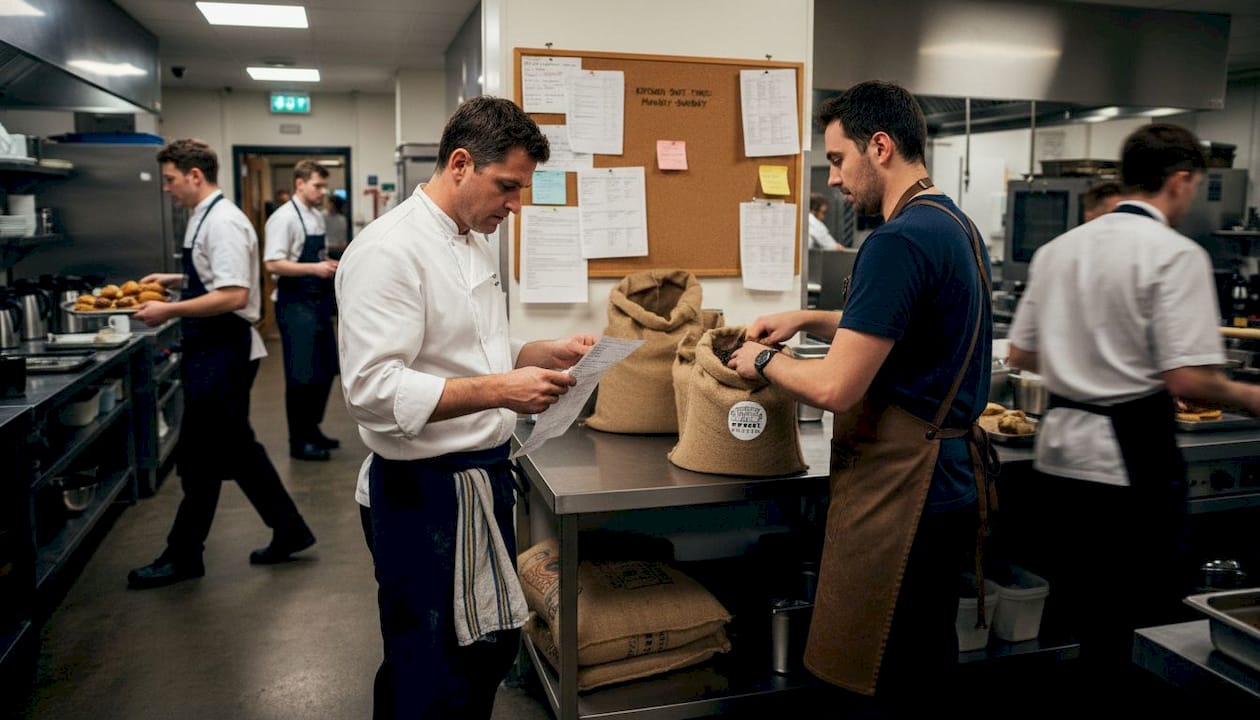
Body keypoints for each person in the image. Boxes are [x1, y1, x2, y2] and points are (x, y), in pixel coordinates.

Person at [727, 81, 992, 716]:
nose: (835, 179)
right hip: (949, 481)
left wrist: (761, 360)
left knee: (880, 677)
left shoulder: (897, 241)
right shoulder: (951, 223)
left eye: (838, 159)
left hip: (906, 493)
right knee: (923, 663)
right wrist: (807, 318)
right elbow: (896, 325)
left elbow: (835, 387)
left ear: (880, 146)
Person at [336, 96, 596, 719]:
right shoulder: (388, 251)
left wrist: (538, 352)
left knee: (482, 652)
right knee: (427, 669)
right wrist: (503, 390)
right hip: (422, 495)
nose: (516, 205)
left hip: (481, 481)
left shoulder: (472, 238)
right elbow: (372, 391)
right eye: (507, 186)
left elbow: (466, 350)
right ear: (459, 164)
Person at [1006, 124, 1260, 708]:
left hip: (1058, 457)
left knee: (1067, 612)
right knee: (1136, 619)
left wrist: (1081, 360)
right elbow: (1187, 379)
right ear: (1181, 179)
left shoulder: (1059, 249)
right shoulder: (1176, 254)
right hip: (1127, 463)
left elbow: (1020, 353)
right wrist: (1250, 396)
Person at [127, 139, 316, 590]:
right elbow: (217, 276)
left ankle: (185, 553)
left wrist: (167, 310)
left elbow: (234, 294)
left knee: (207, 455)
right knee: (221, 453)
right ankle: (284, 529)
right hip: (210, 349)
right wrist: (176, 281)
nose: (167, 189)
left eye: (170, 180)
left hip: (223, 351)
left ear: (195, 176)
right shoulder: (204, 216)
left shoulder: (223, 222)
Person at [264, 159, 340, 462]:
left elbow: (317, 255)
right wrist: (314, 268)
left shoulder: (316, 216)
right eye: (317, 186)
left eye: (324, 186)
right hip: (294, 302)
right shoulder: (284, 218)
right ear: (300, 183)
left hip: (318, 301)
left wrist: (328, 263)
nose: (322, 192)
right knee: (301, 374)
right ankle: (299, 440)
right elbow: (273, 263)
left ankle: (313, 429)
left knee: (326, 368)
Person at [324, 193, 350, 259]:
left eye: (329, 203)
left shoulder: (342, 219)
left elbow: (342, 237)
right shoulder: (322, 216)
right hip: (326, 249)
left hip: (338, 250)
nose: (327, 205)